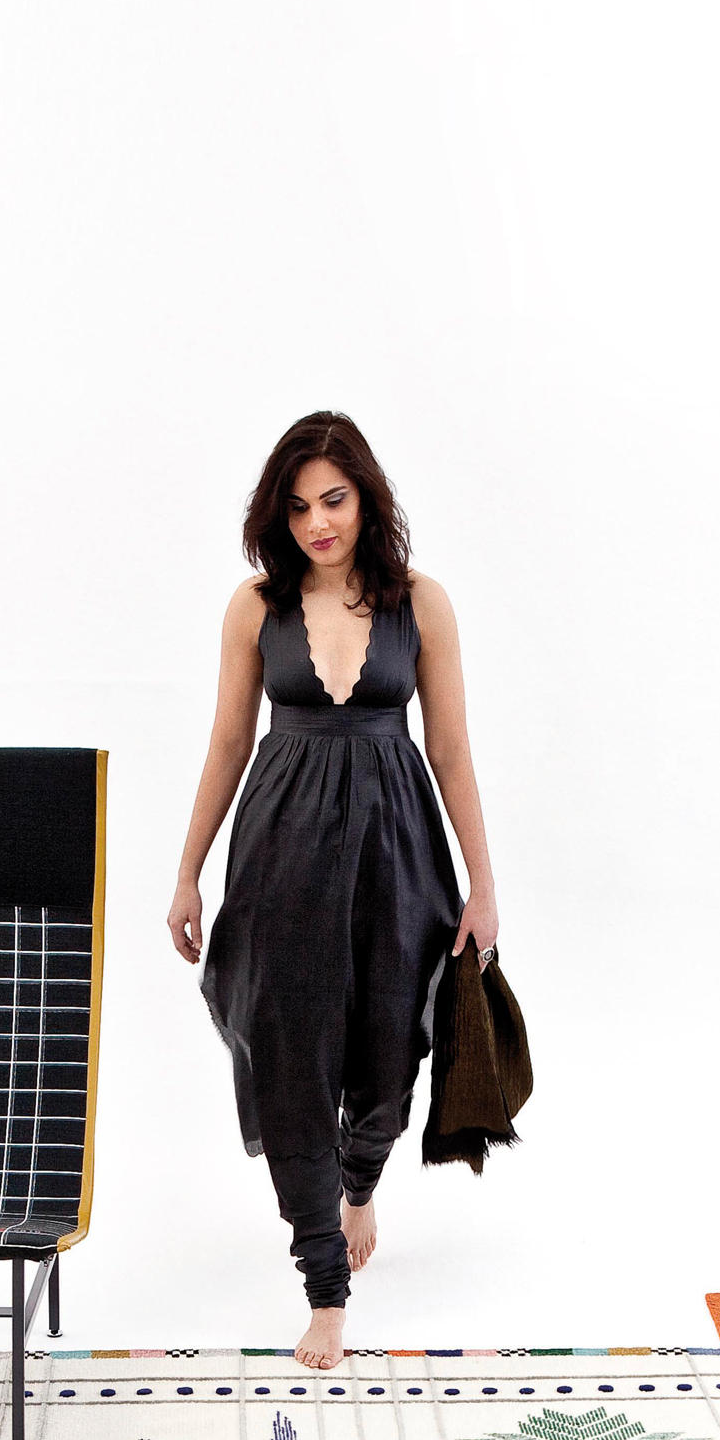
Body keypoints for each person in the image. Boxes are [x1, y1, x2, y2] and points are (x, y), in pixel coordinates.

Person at [168, 411, 500, 1370]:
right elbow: (228, 743)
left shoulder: (422, 603)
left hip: (399, 855)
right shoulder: (254, 606)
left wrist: (482, 884)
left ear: (367, 500)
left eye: (334, 500)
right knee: (291, 1064)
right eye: (298, 506)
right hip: (280, 858)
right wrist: (187, 872)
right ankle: (325, 1290)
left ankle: (358, 1188)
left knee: (390, 1062)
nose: (317, 522)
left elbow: (450, 750)